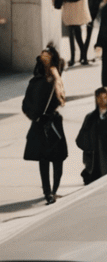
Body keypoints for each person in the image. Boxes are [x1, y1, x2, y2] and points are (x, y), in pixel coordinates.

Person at [23, 43, 68, 203]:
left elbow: (25, 106)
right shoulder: (44, 81)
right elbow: (26, 105)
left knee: (50, 159)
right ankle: (50, 192)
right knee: (51, 159)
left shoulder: (49, 79)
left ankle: (50, 191)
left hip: (45, 122)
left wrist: (50, 54)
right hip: (48, 122)